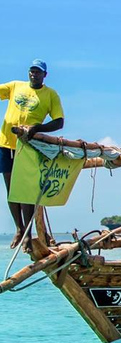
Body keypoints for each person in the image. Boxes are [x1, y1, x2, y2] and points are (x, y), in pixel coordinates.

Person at [0, 59, 64, 251]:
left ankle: (28, 234)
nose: (34, 74)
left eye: (38, 72)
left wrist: (37, 128)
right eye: (32, 71)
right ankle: (19, 228)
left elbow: (59, 122)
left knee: (25, 191)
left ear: (44, 75)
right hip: (5, 144)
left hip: (28, 146)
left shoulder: (50, 94)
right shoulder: (15, 86)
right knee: (11, 190)